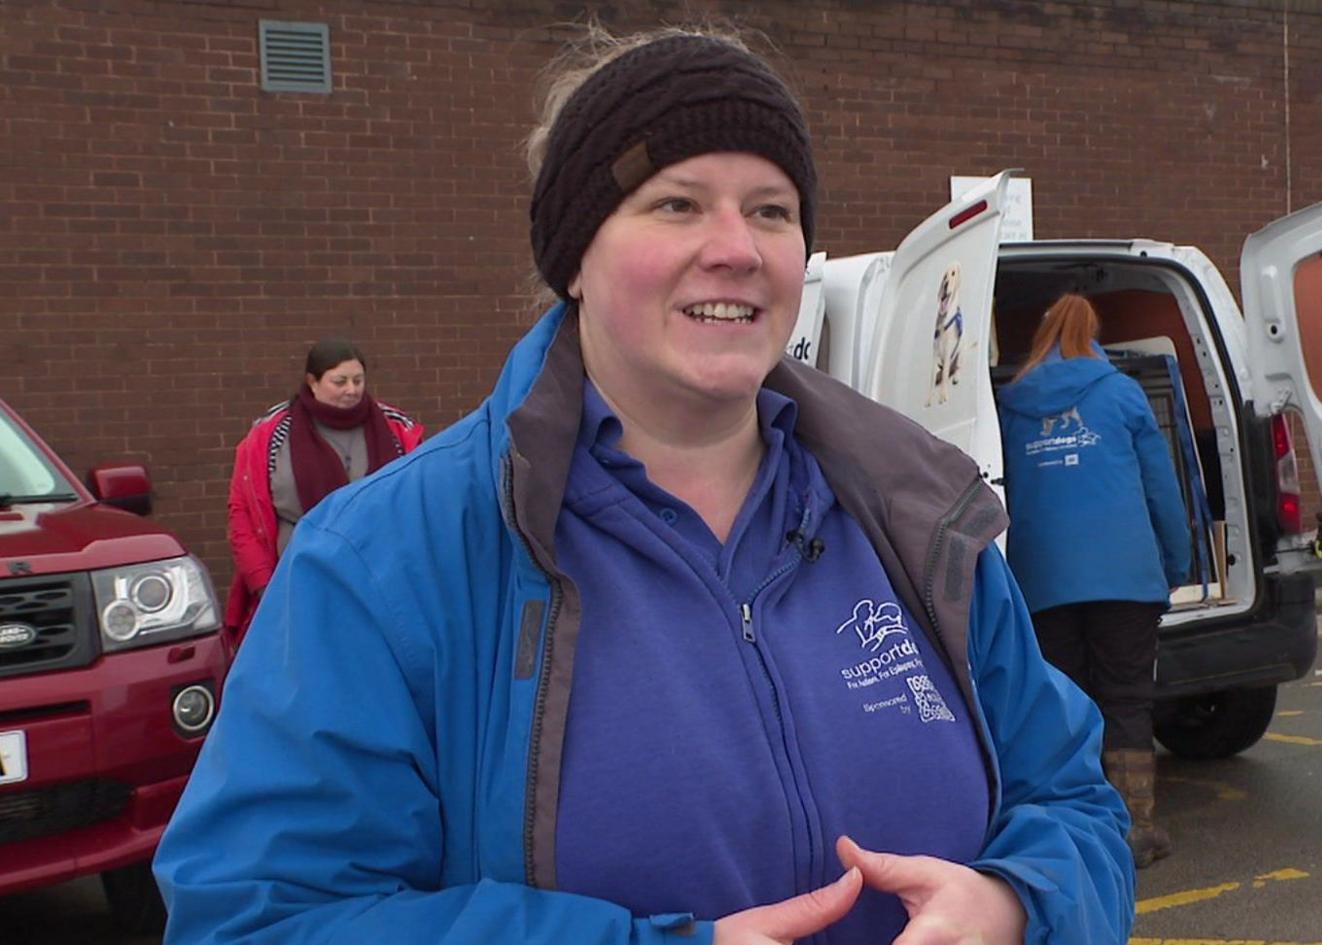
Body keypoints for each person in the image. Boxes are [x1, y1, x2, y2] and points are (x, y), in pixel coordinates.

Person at [155, 26, 1134, 945]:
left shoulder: (914, 512)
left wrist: (1016, 902)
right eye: (677, 203)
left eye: (771, 210)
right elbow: (259, 916)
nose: (738, 248)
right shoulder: (382, 565)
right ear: (575, 253)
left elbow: (1072, 803)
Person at [996, 294, 1191, 869]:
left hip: (1042, 580)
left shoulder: (1011, 403)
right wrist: (1173, 565)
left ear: (1043, 335)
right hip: (1125, 580)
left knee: (1064, 704)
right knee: (1126, 699)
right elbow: (1162, 488)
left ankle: (1078, 831)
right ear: (1095, 335)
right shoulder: (1122, 393)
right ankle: (1136, 829)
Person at [223, 339, 422, 641]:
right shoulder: (272, 434)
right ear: (312, 382)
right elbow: (243, 515)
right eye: (339, 381)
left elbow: (418, 501)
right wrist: (265, 585)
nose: (352, 390)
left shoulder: (397, 430)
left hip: (383, 589)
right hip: (297, 587)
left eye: (358, 380)